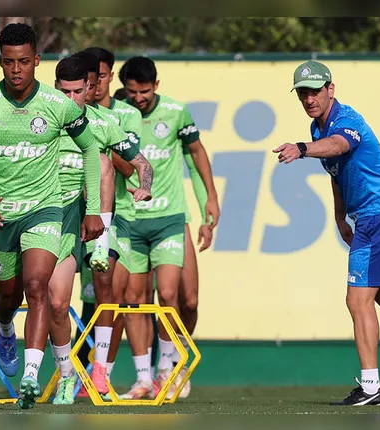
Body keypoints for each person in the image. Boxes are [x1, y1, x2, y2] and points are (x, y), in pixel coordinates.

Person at [0, 22, 105, 410]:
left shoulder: (58, 105)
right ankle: (5, 328)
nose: (15, 70)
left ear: (36, 60)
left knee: (38, 287)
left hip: (45, 209)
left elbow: (90, 151)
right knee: (10, 294)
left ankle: (32, 377)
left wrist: (91, 211)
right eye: (7, 62)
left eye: (23, 61)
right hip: (0, 216)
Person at [273, 60, 380, 406]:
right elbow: (337, 174)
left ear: (331, 89)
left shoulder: (346, 121)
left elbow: (338, 147)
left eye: (315, 91)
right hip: (377, 216)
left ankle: (371, 386)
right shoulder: (319, 127)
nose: (309, 99)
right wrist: (340, 216)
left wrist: (301, 149)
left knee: (357, 298)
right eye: (302, 93)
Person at [48, 54, 153, 404]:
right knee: (52, 298)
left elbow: (142, 164)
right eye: (66, 91)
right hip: (55, 216)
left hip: (102, 217)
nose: (74, 98)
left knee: (106, 284)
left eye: (81, 90)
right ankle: (61, 371)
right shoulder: (41, 122)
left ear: (91, 89)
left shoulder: (105, 123)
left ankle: (101, 369)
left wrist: (145, 185)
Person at [118, 56, 220, 400]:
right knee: (134, 299)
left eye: (145, 91)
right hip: (130, 222)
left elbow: (196, 152)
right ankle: (145, 377)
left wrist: (210, 199)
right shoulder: (118, 112)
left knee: (178, 297)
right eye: (132, 92)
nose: (139, 98)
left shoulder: (176, 112)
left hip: (170, 218)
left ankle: (170, 364)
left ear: (156, 86)